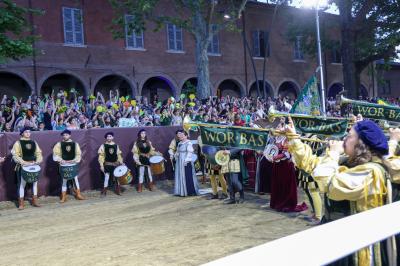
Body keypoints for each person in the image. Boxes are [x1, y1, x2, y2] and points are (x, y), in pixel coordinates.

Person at [286, 118, 392, 266]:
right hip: (338, 237)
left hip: (357, 249)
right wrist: (294, 137)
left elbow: (330, 185)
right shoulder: (347, 161)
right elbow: (311, 164)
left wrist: (333, 153)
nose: (344, 139)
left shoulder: (372, 171)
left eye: (349, 136)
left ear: (361, 143)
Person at [11, 127, 43, 210]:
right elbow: (15, 155)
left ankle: (35, 201)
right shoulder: (18, 143)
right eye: (26, 132)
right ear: (22, 133)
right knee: (22, 184)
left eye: (29, 132)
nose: (28, 133)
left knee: (35, 183)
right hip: (23, 166)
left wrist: (38, 161)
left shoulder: (34, 142)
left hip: (33, 165)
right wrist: (23, 163)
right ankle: (21, 203)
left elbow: (38, 153)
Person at [52, 129, 85, 203]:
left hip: (73, 164)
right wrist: (60, 160)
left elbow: (78, 154)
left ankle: (78, 194)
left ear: (70, 135)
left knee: (75, 180)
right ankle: (63, 196)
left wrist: (75, 160)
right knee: (64, 180)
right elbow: (56, 154)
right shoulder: (59, 144)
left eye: (66, 135)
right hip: (64, 165)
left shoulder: (75, 144)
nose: (65, 136)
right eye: (63, 135)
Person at [173, 130, 199, 196]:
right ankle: (181, 191)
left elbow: (190, 152)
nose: (181, 136)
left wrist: (186, 160)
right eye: (180, 135)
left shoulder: (188, 143)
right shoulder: (179, 143)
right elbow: (178, 151)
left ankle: (189, 191)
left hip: (186, 161)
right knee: (181, 175)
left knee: (187, 176)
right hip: (180, 161)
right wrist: (175, 155)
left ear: (186, 136)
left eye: (182, 135)